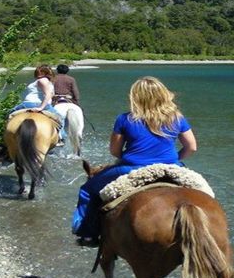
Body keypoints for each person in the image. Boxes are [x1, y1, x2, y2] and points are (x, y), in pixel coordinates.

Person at [71, 76, 197, 246]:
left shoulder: (125, 119)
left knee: (88, 190)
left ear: (135, 97)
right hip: (170, 167)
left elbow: (114, 151)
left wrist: (131, 155)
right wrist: (174, 159)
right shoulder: (177, 118)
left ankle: (87, 234)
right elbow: (191, 147)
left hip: (132, 168)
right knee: (202, 192)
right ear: (164, 94)